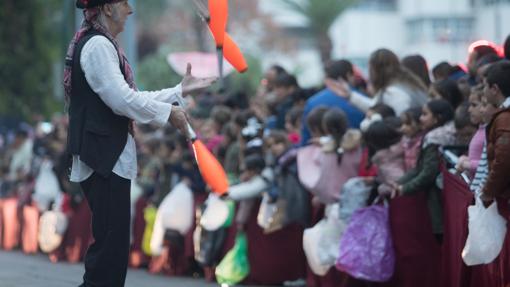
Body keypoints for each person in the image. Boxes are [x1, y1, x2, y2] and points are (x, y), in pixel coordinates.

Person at [65, 1, 215, 286]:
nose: (130, 10)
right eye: (124, 3)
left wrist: (178, 92)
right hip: (103, 157)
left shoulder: (102, 44)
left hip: (107, 156)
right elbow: (122, 100)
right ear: (107, 9)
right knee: (109, 250)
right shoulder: (97, 46)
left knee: (113, 248)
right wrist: (168, 112)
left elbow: (128, 97)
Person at [326, 49, 428, 116]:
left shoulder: (393, 92)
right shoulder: (405, 83)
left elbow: (399, 119)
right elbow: (376, 106)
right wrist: (350, 95)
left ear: (375, 70)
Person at [300, 59, 365, 145]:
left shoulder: (312, 102)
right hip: (358, 152)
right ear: (349, 75)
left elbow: (306, 139)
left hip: (322, 154)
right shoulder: (363, 100)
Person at [480, 61, 510, 204]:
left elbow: (504, 159)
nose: (483, 91)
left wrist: (488, 191)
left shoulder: (505, 117)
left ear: (494, 89)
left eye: (485, 86)